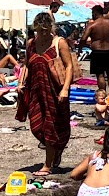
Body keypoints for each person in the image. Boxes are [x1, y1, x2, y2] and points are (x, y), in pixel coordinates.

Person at [19, 12, 75, 175]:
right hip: (36, 90)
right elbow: (27, 65)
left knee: (51, 125)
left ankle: (47, 165)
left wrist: (65, 89)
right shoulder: (31, 44)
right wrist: (21, 82)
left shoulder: (59, 43)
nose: (44, 33)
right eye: (40, 30)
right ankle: (55, 152)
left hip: (55, 91)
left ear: (52, 27)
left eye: (46, 29)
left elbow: (69, 66)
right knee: (37, 126)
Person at [85, 5, 109, 120]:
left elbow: (83, 38)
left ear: (95, 13)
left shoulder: (92, 25)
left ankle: (102, 95)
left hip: (97, 51)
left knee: (100, 74)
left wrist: (81, 48)